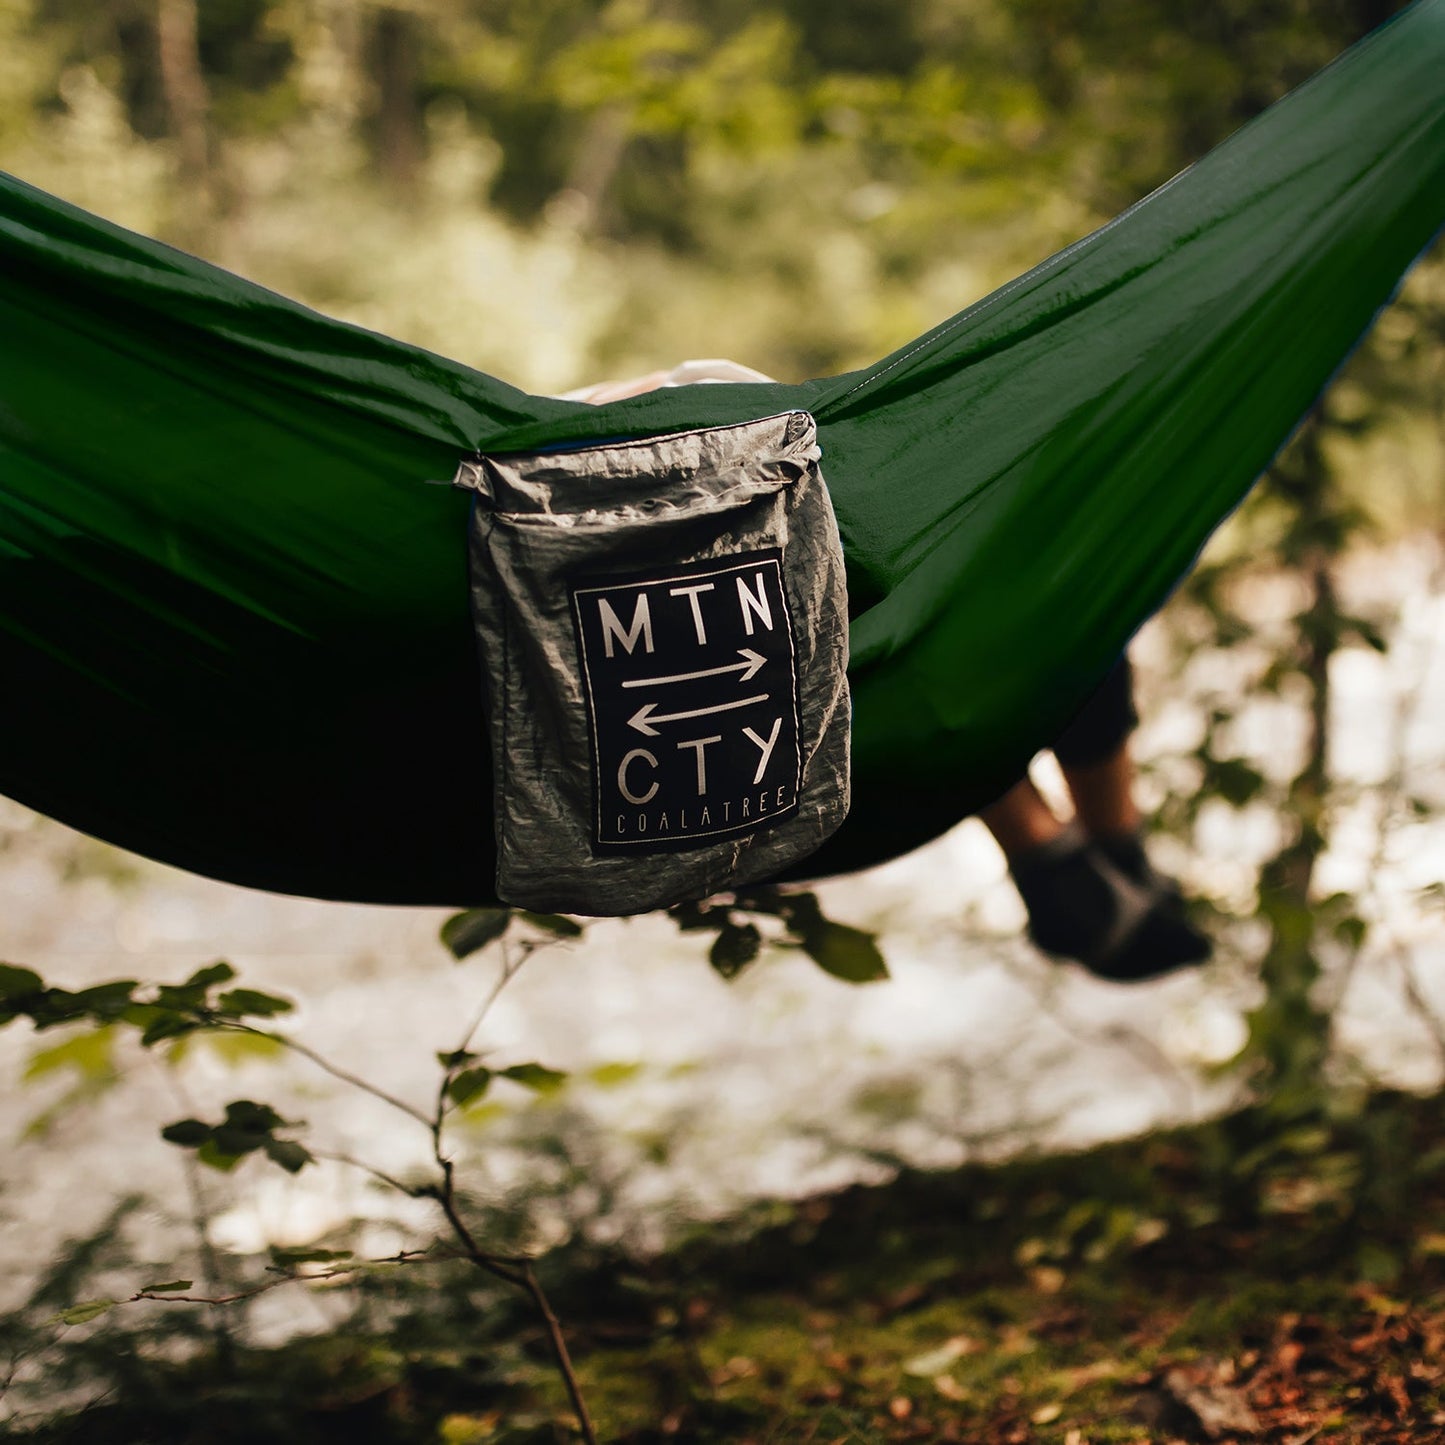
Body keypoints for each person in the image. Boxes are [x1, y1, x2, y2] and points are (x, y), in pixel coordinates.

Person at [566, 360, 1211, 980]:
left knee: (913, 629)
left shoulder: (536, 480)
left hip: (734, 742)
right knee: (1042, 607)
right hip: (781, 661)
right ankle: (1097, 846)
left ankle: (1057, 852)